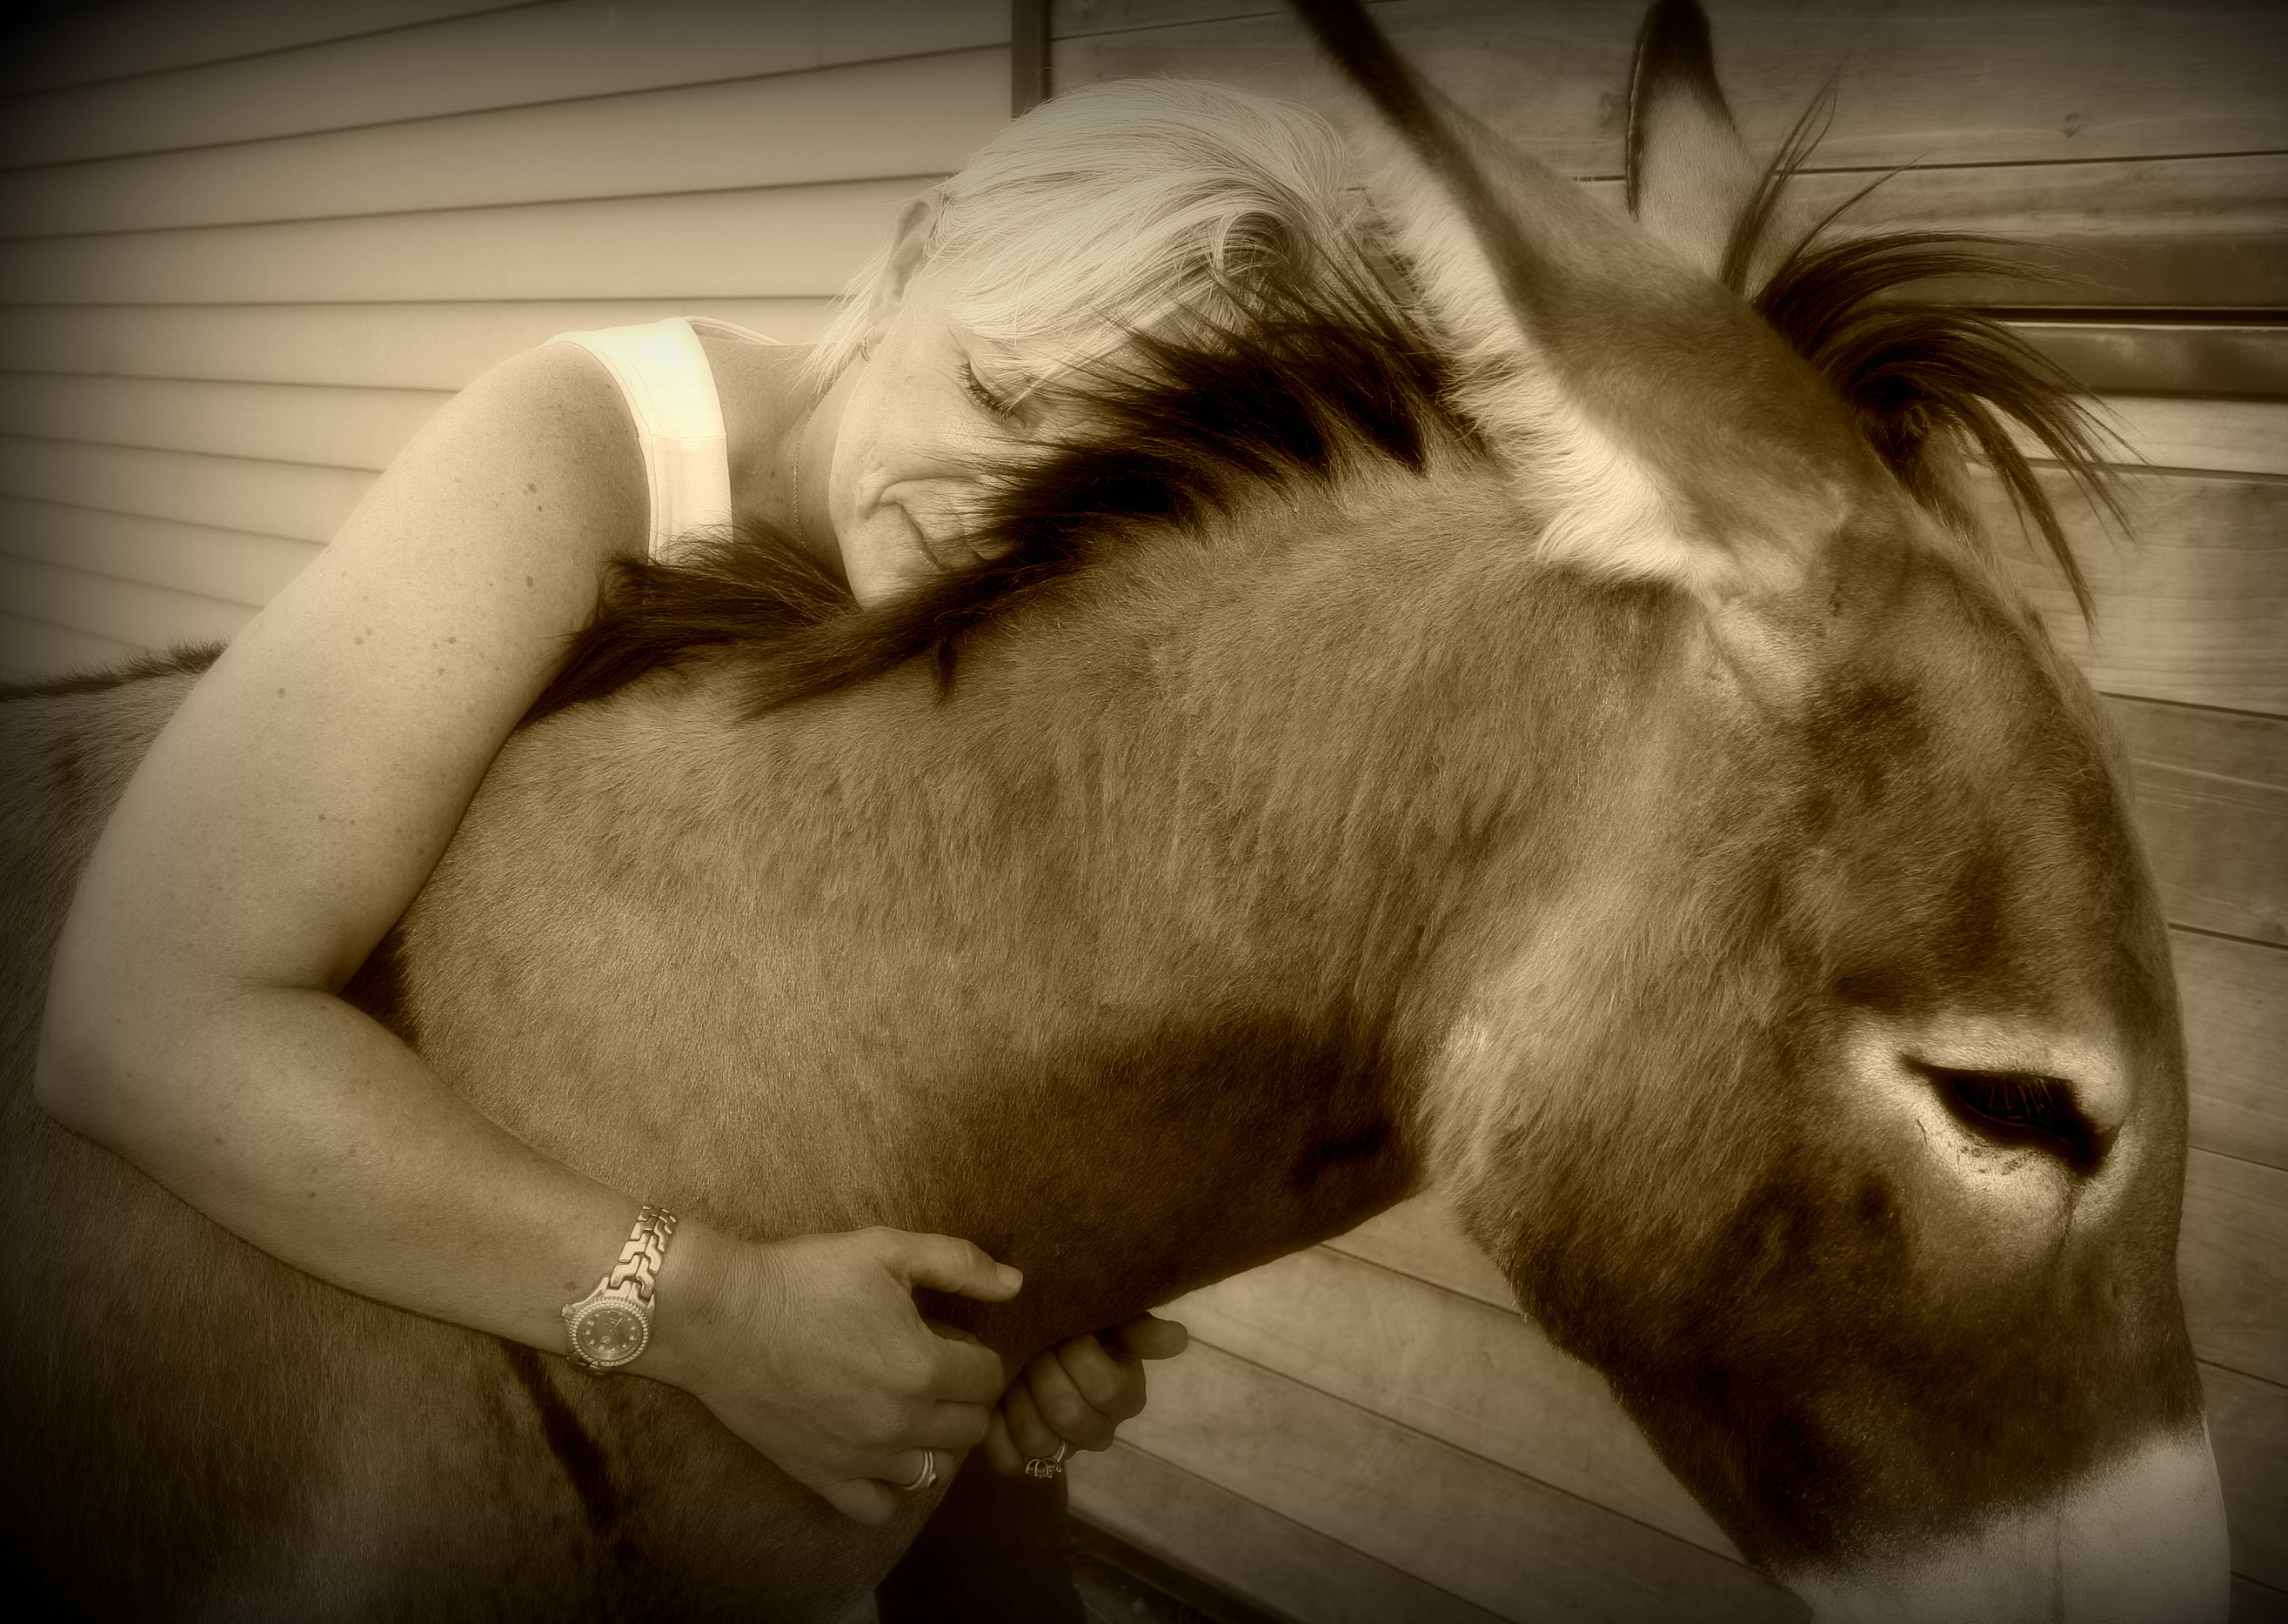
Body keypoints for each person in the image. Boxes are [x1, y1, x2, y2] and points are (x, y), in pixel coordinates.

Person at [30, 77, 1389, 1614]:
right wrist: (714, 1314)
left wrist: (1038, 1317)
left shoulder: (1064, 592)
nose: (994, 511)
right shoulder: (576, 454)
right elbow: (139, 1020)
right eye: (999, 397)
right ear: (914, 254)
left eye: (1090, 481)